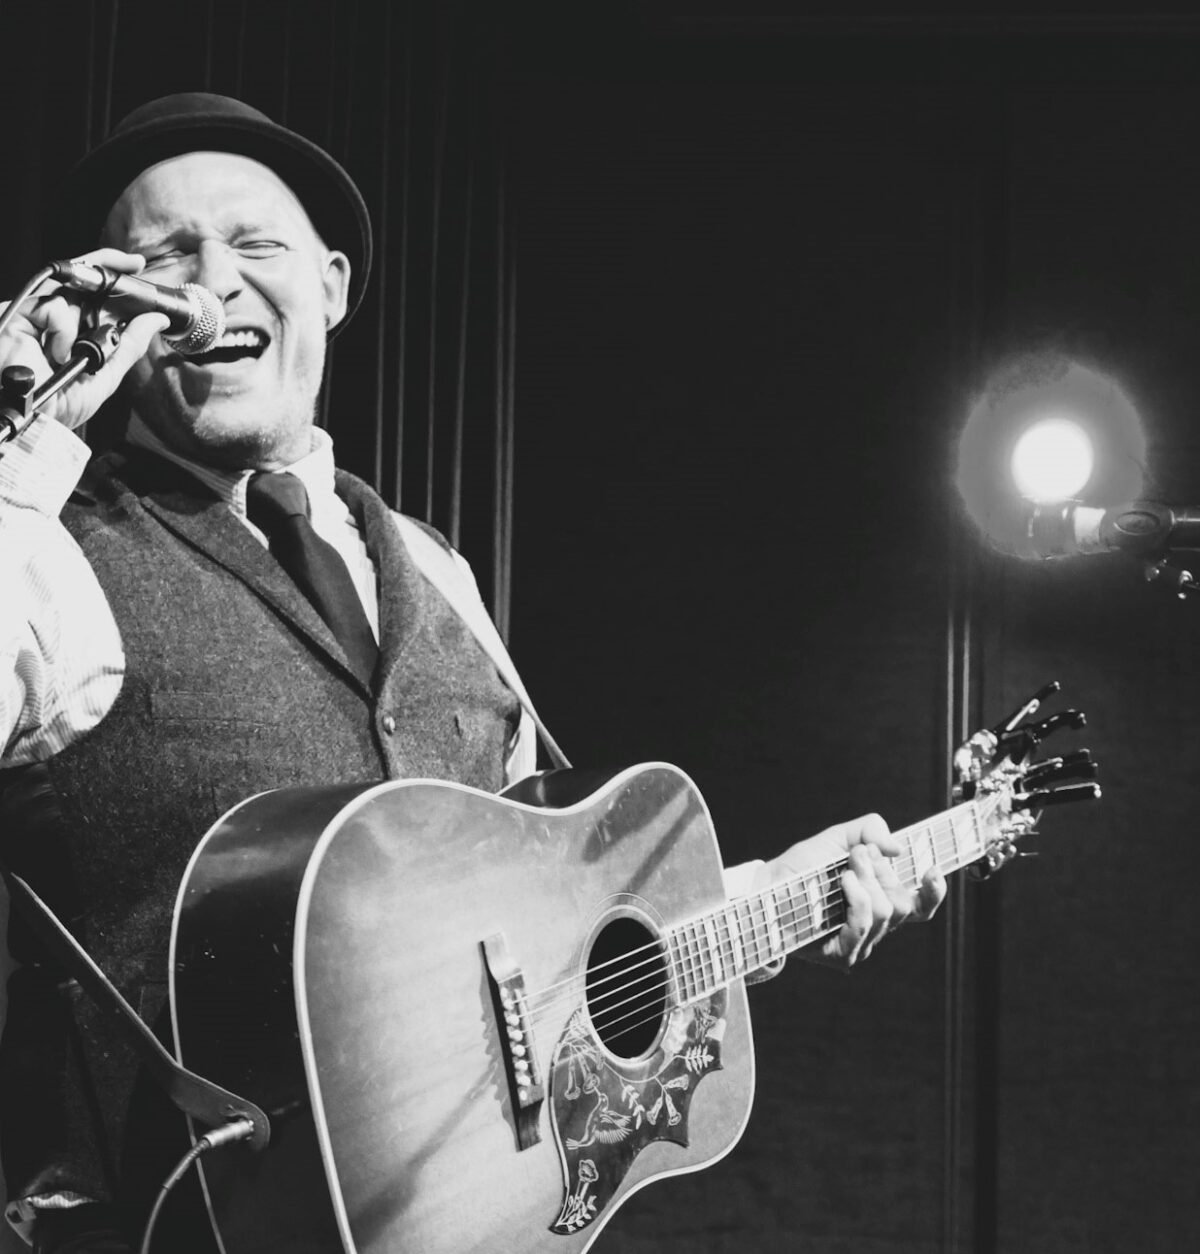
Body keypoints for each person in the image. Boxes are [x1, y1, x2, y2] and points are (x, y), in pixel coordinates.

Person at [0, 94, 946, 1254]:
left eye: (255, 245)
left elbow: (552, 902)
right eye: (165, 259)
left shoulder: (430, 567)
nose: (212, 285)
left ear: (331, 287)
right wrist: (25, 441)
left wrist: (771, 894)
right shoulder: (48, 540)